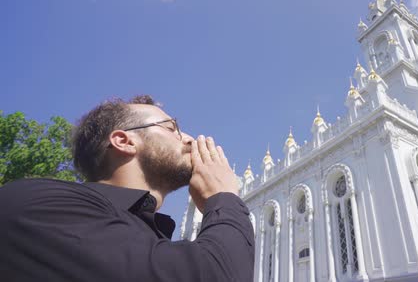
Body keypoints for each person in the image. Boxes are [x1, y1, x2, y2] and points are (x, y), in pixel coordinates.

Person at [0, 95, 254, 281]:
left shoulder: (150, 238)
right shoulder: (37, 204)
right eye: (171, 128)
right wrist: (223, 197)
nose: (189, 138)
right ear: (123, 141)